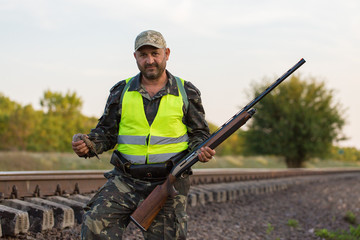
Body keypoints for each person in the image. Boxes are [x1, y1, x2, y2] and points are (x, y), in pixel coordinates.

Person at [72, 30, 215, 240]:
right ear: (135, 57)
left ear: (166, 53)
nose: (150, 60)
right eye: (143, 55)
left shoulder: (186, 91)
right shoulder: (121, 90)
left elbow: (199, 133)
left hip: (169, 181)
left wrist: (201, 150)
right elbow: (106, 133)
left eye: (155, 54)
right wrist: (89, 144)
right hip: (125, 179)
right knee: (95, 223)